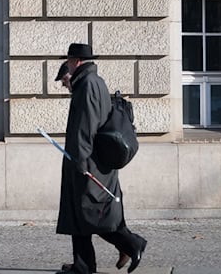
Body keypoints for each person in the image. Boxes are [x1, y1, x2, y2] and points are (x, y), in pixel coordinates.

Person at [55, 43, 147, 274]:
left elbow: (85, 128)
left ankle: (132, 243)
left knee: (92, 214)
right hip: (91, 160)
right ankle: (83, 265)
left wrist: (81, 161)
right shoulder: (91, 83)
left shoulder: (87, 85)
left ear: (75, 61)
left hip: (90, 162)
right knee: (79, 213)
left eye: (68, 61)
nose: (67, 66)